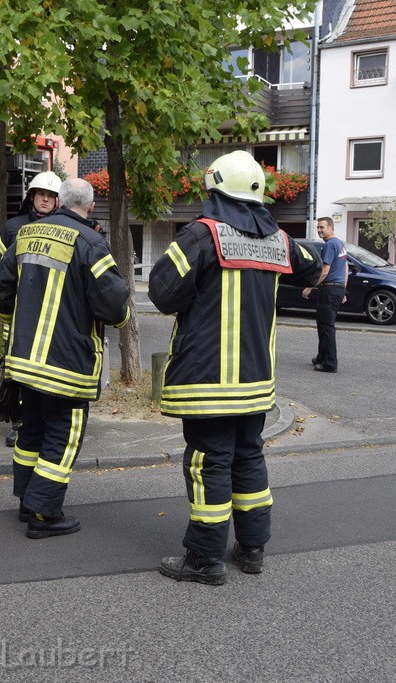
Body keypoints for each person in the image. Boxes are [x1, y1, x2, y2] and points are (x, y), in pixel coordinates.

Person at [148, 150, 319, 584]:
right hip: (256, 383)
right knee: (248, 459)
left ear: (216, 190)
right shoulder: (279, 241)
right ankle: (252, 547)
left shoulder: (201, 236)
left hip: (208, 382)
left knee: (209, 463)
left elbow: (163, 293)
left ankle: (204, 560)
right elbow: (314, 266)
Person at [0, 177, 130, 539]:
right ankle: (43, 515)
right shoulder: (91, 242)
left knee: (31, 430)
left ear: (60, 201)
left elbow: (1, 291)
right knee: (63, 436)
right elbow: (114, 307)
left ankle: (26, 502)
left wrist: (15, 326)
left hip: (23, 361)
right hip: (66, 364)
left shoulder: (26, 234)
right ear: (90, 205)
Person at [0, 170, 62, 447]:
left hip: (52, 315)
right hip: (15, 313)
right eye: (41, 194)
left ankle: (43, 420)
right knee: (15, 368)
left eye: (51, 196)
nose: (45, 200)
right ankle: (19, 422)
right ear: (32, 197)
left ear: (57, 201)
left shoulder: (64, 230)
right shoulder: (13, 228)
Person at [303, 216, 349, 373]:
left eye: (322, 227)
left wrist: (310, 287)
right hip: (336, 289)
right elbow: (345, 268)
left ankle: (330, 363)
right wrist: (343, 289)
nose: (319, 230)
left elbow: (325, 271)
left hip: (329, 289)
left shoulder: (330, 245)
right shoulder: (340, 243)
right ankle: (321, 357)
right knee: (324, 324)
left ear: (331, 228)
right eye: (318, 227)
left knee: (326, 326)